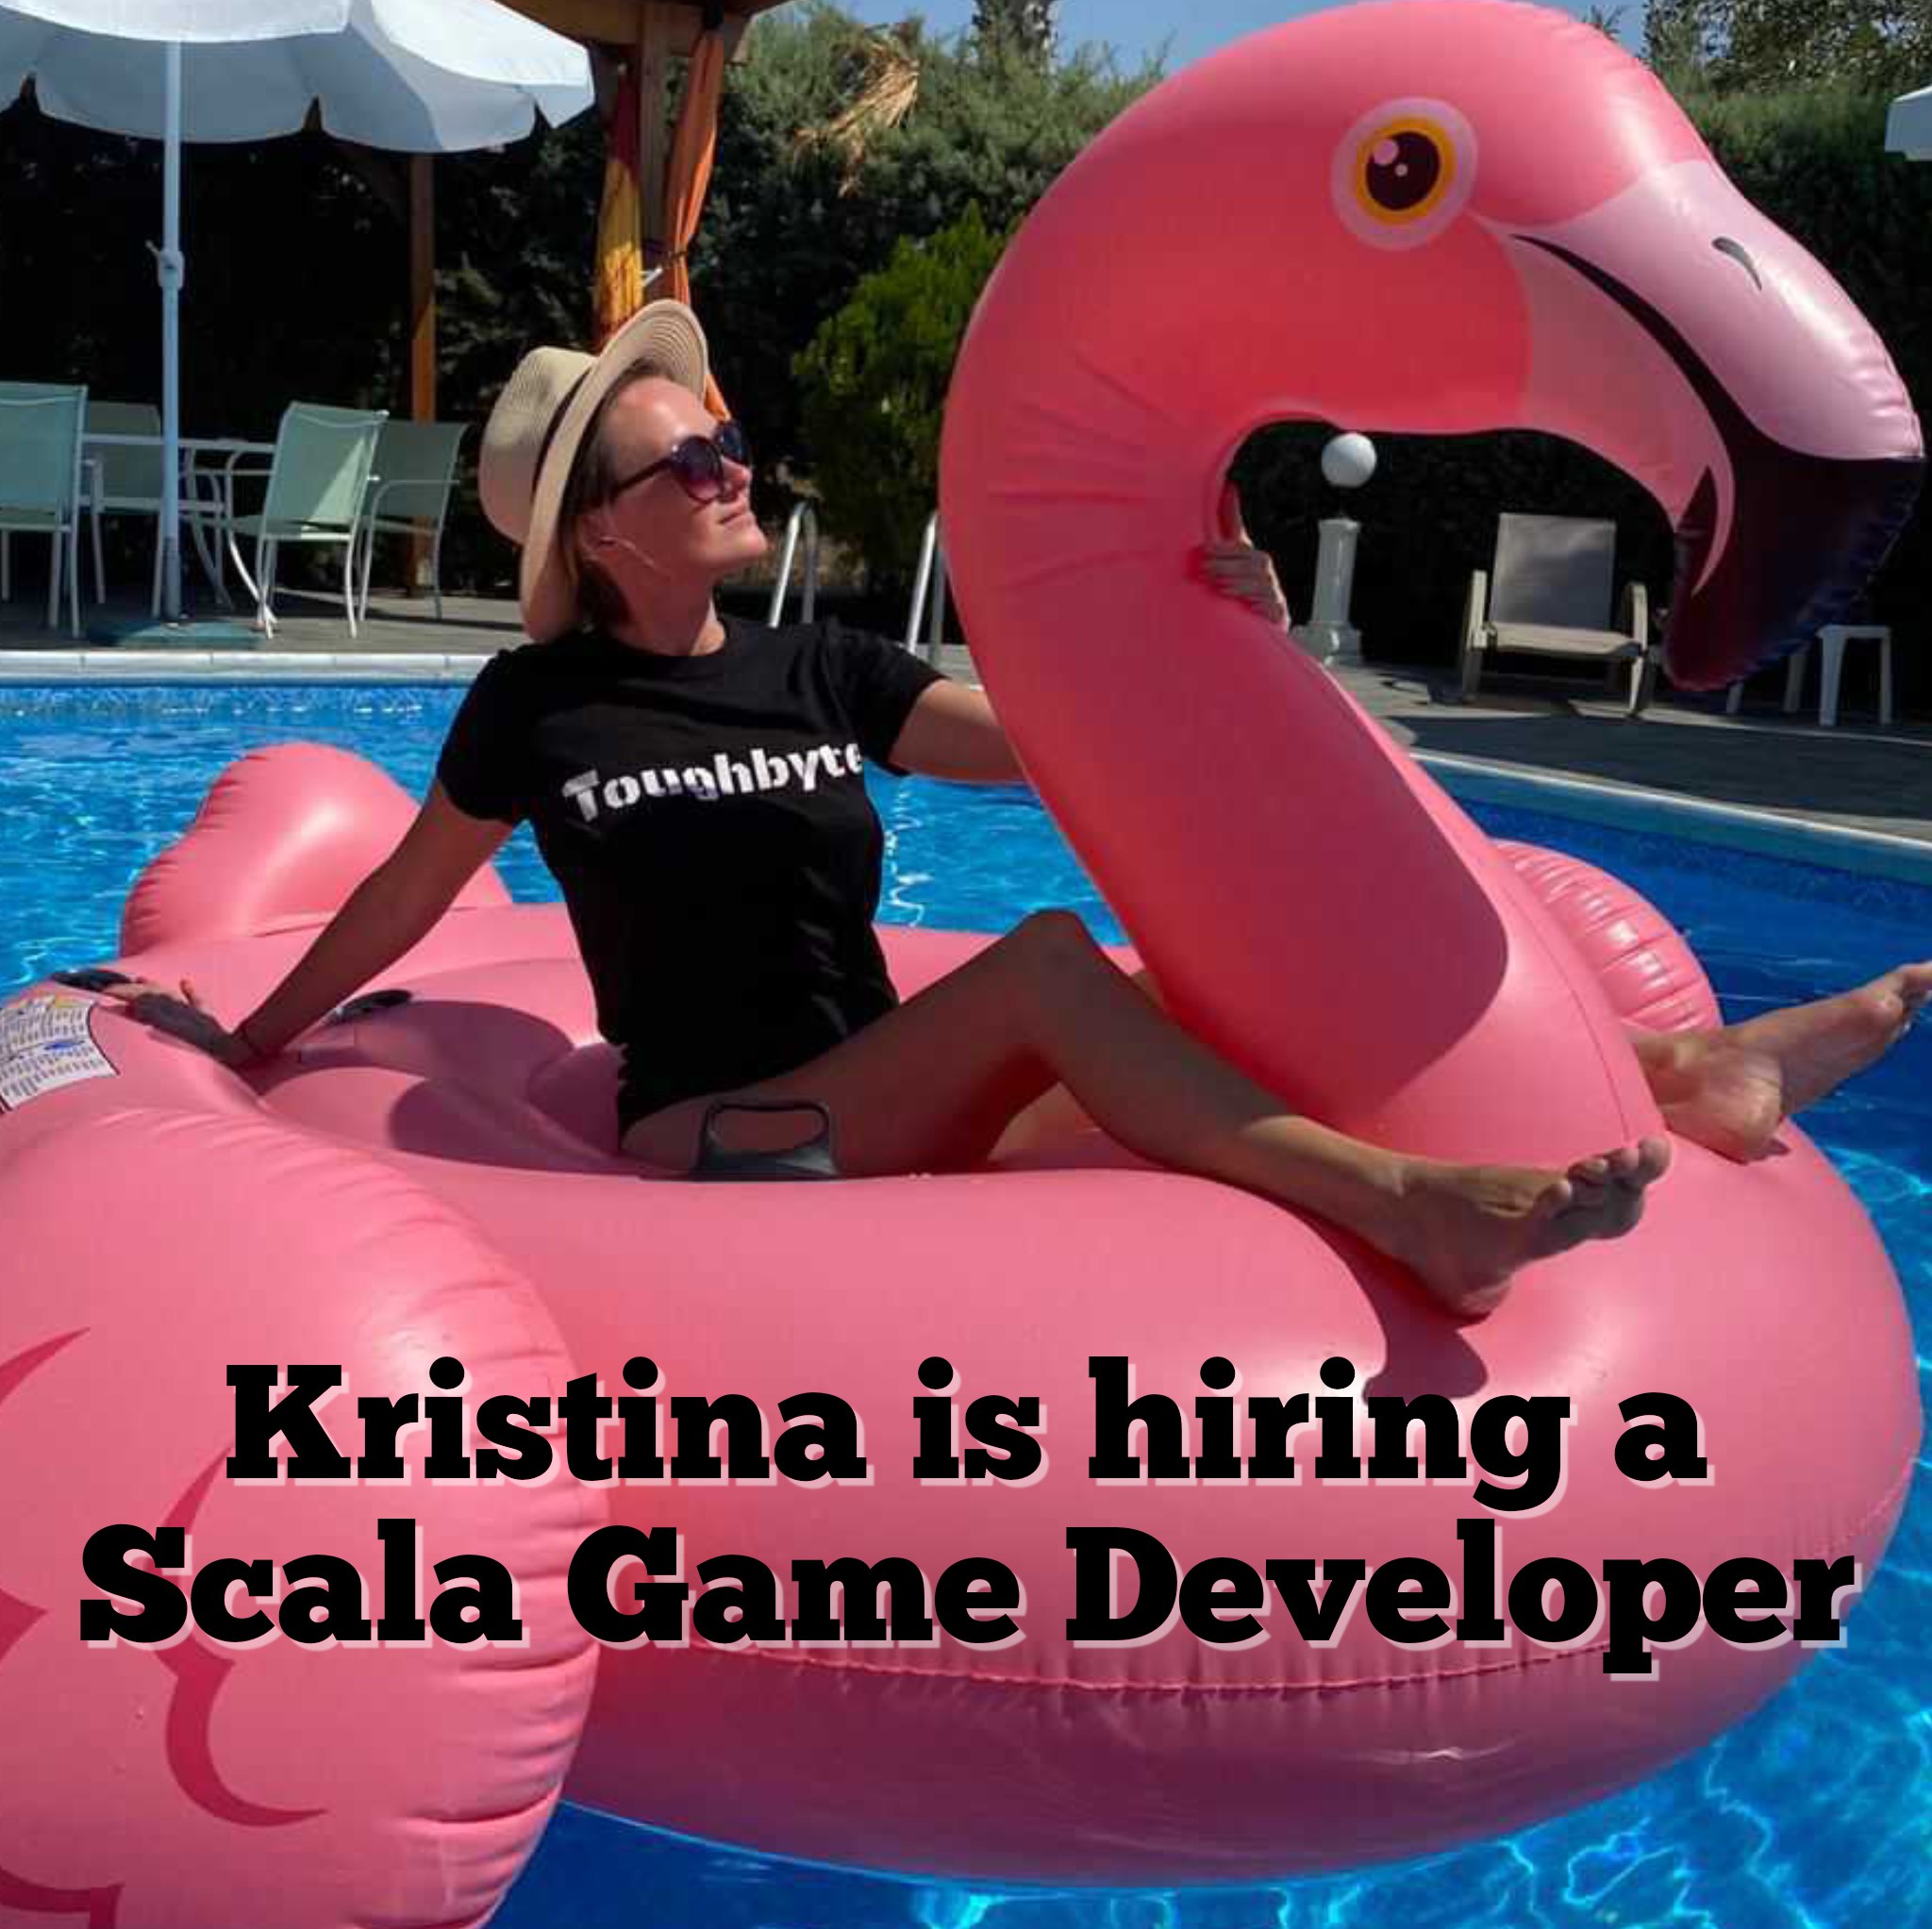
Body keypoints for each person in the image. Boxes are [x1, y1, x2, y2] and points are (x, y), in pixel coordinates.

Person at [108, 304, 1930, 1321]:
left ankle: (1671, 1077)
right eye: (695, 457)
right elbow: (404, 898)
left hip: (875, 1087)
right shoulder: (541, 706)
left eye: (729, 438)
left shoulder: (819, 664)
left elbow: (1064, 746)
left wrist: (1215, 630)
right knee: (1056, 959)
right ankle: (1414, 1206)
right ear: (603, 525)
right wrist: (250, 1039)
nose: (738, 465)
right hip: (717, 1137)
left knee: (1187, 999)